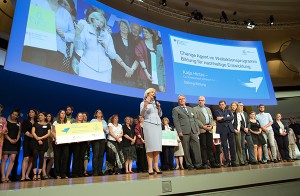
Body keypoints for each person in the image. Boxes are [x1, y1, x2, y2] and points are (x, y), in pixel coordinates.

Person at [77, 12, 118, 83]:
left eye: (102, 22)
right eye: (97, 20)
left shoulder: (107, 35)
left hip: (105, 70)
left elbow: (113, 56)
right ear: (92, 19)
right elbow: (79, 46)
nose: (99, 23)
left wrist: (105, 45)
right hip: (87, 66)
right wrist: (78, 34)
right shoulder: (85, 30)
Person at [172, 95, 203, 170]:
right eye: (180, 99)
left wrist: (197, 129)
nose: (181, 100)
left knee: (197, 147)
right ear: (178, 101)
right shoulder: (176, 109)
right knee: (186, 149)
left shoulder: (190, 109)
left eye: (183, 99)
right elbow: (176, 121)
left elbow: (194, 119)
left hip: (193, 130)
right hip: (184, 131)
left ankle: (198, 164)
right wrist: (179, 131)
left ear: (185, 100)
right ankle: (189, 164)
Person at [140, 88, 163, 175]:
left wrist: (159, 107)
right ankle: (150, 167)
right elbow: (142, 114)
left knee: (157, 146)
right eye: (152, 92)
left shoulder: (155, 103)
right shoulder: (143, 103)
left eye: (155, 92)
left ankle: (156, 166)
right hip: (149, 124)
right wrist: (145, 105)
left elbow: (160, 115)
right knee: (150, 146)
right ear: (147, 94)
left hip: (157, 125)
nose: (154, 94)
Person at [135, 27, 165, 91]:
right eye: (143, 32)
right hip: (146, 74)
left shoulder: (157, 44)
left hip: (157, 75)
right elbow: (139, 57)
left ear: (151, 34)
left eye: (146, 32)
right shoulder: (141, 43)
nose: (144, 33)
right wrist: (146, 72)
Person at [193, 96, 219, 168]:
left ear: (204, 101)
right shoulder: (195, 109)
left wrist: (211, 126)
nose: (200, 101)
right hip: (202, 129)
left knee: (210, 147)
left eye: (202, 100)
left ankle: (212, 162)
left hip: (209, 129)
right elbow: (196, 119)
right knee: (203, 147)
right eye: (199, 100)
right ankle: (205, 163)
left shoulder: (208, 109)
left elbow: (211, 118)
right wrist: (203, 126)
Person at [112, 20, 139, 87]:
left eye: (125, 26)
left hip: (131, 76)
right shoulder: (114, 37)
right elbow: (114, 54)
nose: (123, 28)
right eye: (122, 26)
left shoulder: (133, 39)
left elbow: (138, 56)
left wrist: (131, 70)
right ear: (119, 27)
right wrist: (127, 68)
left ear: (129, 28)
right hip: (117, 74)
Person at [1, 110, 21, 183]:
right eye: (13, 114)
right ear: (11, 114)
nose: (14, 116)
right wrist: (10, 140)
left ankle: (7, 176)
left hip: (15, 143)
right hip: (7, 142)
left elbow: (19, 132)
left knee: (12, 159)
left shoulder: (18, 123)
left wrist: (17, 139)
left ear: (17, 116)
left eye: (15, 115)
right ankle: (3, 176)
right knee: (4, 159)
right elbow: (4, 132)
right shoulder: (6, 121)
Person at [215, 100, 236, 167]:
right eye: (220, 104)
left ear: (225, 105)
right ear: (219, 105)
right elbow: (218, 119)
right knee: (225, 146)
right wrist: (227, 118)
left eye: (223, 104)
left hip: (230, 129)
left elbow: (232, 117)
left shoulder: (228, 111)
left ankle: (233, 161)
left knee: (232, 145)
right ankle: (227, 160)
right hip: (222, 130)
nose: (222, 105)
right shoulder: (217, 111)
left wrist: (223, 118)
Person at [31, 112, 51, 181]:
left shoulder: (48, 125)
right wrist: (37, 139)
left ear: (45, 117)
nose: (40, 116)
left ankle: (39, 174)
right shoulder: (35, 124)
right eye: (39, 115)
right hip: (35, 143)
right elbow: (33, 132)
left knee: (41, 158)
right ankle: (34, 174)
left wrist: (41, 138)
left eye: (41, 115)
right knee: (35, 158)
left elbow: (48, 134)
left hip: (43, 143)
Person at [20, 109, 38, 181]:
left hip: (35, 142)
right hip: (27, 141)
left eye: (32, 112)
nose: (31, 113)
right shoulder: (25, 121)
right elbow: (24, 131)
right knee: (26, 158)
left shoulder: (37, 122)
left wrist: (36, 137)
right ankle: (23, 175)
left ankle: (27, 175)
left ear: (35, 114)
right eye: (30, 112)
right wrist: (32, 136)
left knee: (32, 158)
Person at [52, 110, 70, 179]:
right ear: (59, 114)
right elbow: (53, 132)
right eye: (62, 113)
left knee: (65, 158)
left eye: (64, 113)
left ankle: (63, 173)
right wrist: (56, 139)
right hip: (57, 142)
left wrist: (70, 140)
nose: (63, 114)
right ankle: (57, 173)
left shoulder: (68, 123)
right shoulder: (55, 123)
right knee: (57, 158)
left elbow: (69, 132)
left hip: (65, 142)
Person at [90, 109, 108, 176]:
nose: (100, 113)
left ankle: (100, 171)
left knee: (101, 155)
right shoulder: (93, 121)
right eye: (98, 112)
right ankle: (94, 171)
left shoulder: (104, 122)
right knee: (95, 155)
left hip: (102, 139)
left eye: (101, 112)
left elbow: (107, 131)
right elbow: (91, 128)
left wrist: (104, 129)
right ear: (96, 114)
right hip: (96, 139)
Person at [71, 113, 87, 177]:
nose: (80, 117)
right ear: (77, 117)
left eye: (81, 116)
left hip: (83, 143)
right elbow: (72, 133)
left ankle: (81, 172)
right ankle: (75, 173)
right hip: (76, 143)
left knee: (81, 157)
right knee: (76, 157)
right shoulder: (73, 124)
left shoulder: (85, 125)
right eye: (79, 116)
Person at [230, 101, 245, 166]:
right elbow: (229, 123)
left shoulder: (239, 113)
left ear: (237, 106)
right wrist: (234, 130)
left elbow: (239, 122)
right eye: (232, 105)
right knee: (234, 146)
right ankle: (236, 161)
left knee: (239, 145)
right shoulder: (229, 113)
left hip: (238, 131)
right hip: (232, 131)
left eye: (235, 105)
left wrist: (238, 129)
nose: (233, 106)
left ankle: (241, 161)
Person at [42, 113, 54, 179]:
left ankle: (47, 173)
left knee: (52, 158)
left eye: (50, 116)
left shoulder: (52, 125)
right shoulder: (44, 124)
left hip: (51, 143)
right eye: (47, 116)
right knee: (44, 158)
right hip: (45, 142)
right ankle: (43, 174)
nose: (48, 117)